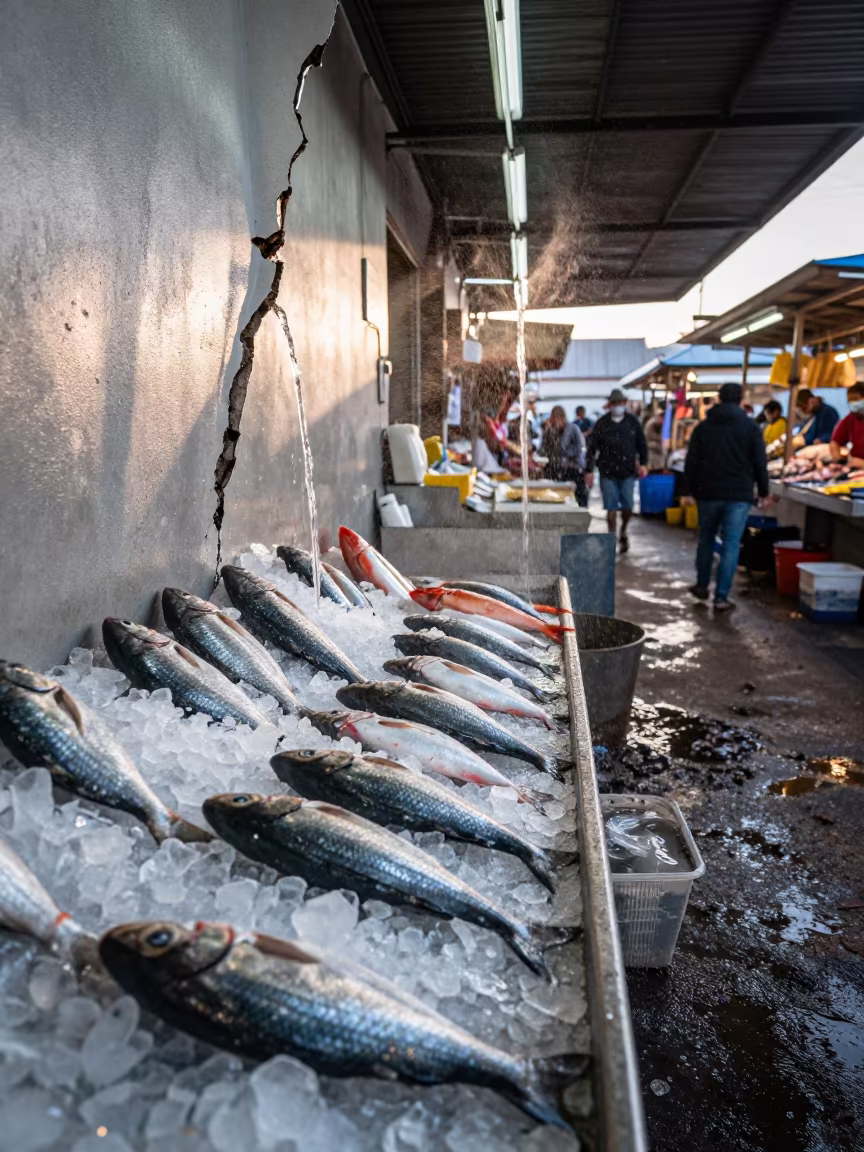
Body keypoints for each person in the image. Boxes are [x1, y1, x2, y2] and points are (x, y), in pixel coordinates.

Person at [683, 382, 770, 612]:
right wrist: (764, 492)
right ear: (741, 400)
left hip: (708, 492)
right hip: (739, 495)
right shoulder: (751, 427)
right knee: (731, 544)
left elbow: (690, 463)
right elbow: (760, 464)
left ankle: (702, 586)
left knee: (706, 539)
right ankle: (721, 597)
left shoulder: (703, 428)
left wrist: (688, 491)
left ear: (719, 398)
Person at [585, 388, 648, 553]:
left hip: (627, 472)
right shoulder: (602, 423)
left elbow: (642, 444)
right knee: (611, 508)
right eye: (614, 403)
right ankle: (611, 536)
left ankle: (624, 531)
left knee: (628, 506)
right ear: (609, 405)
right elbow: (592, 448)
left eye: (620, 403)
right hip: (607, 473)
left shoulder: (633, 423)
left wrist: (643, 463)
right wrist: (589, 470)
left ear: (625, 403)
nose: (617, 406)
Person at [541, 406, 588, 505]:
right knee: (558, 498)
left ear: (563, 418)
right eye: (554, 419)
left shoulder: (573, 428)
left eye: (558, 418)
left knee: (578, 497)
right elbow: (545, 448)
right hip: (556, 469)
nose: (556, 422)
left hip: (573, 469)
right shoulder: (550, 431)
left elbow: (579, 447)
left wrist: (567, 455)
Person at [830, 382, 864, 468]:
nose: (853, 403)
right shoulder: (851, 418)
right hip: (855, 466)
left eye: (856, 399)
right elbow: (835, 441)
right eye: (850, 401)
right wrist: (837, 457)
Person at [644, 407, 666, 472]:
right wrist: (660, 438)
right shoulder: (652, 423)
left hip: (653, 448)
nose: (662, 418)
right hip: (651, 448)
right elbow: (650, 436)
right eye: (661, 416)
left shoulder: (657, 423)